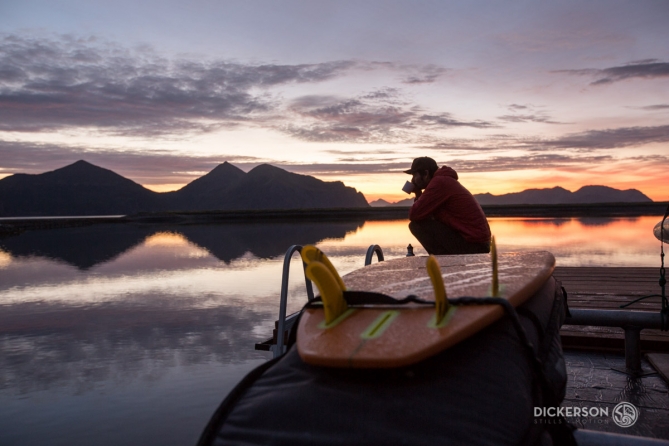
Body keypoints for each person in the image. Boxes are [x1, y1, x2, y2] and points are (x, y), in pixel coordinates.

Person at [405, 157, 491, 255]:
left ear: (425, 173)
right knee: (423, 221)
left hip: (475, 245)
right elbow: (422, 213)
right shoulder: (444, 181)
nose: (413, 180)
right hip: (479, 243)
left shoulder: (439, 183)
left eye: (414, 175)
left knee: (417, 226)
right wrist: (418, 193)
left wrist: (417, 192)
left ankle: (442, 262)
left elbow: (414, 214)